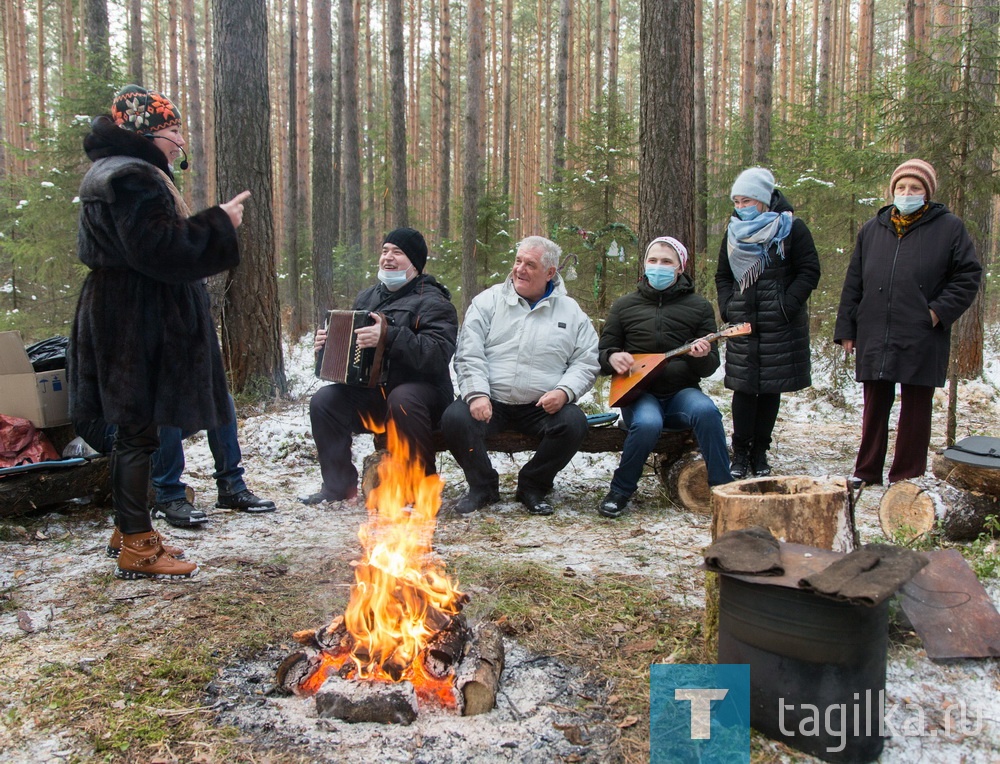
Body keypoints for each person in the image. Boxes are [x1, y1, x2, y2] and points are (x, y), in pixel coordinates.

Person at [69, 84, 251, 579]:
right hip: (136, 319)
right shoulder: (133, 177)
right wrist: (220, 224)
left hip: (122, 311)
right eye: (173, 133)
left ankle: (130, 527)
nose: (178, 143)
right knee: (138, 431)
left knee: (136, 429)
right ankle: (138, 546)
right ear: (148, 134)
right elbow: (158, 249)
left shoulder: (114, 171)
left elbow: (141, 245)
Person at [834, 158, 981, 486]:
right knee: (874, 406)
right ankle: (866, 472)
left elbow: (968, 275)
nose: (906, 192)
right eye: (901, 187)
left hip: (921, 331)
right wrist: (847, 328)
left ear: (926, 193)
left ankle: (906, 476)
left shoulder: (949, 228)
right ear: (892, 190)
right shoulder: (873, 229)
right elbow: (854, 281)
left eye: (914, 188)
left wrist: (936, 312)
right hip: (874, 328)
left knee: (915, 409)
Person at [442, 235, 599, 516]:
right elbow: (468, 352)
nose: (519, 269)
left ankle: (533, 485)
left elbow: (586, 360)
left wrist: (564, 392)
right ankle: (483, 487)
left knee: (574, 422)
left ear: (550, 273)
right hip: (491, 402)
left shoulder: (571, 311)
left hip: (541, 407)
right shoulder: (487, 302)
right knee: (455, 418)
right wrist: (477, 394)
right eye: (518, 261)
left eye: (530, 264)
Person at [304, 228, 458, 504]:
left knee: (404, 398)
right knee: (324, 401)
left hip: (425, 398)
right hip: (375, 394)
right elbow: (355, 355)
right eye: (385, 250)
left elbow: (436, 355)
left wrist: (389, 336)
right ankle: (338, 487)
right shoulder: (367, 298)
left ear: (415, 263)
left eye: (397, 252)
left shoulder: (435, 302)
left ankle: (420, 488)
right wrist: (326, 349)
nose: (388, 257)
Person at [597, 237, 731, 518]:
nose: (659, 266)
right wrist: (612, 357)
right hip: (638, 394)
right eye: (653, 260)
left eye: (667, 262)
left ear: (680, 267)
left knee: (707, 411)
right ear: (645, 264)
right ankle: (620, 491)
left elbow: (710, 367)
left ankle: (723, 489)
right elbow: (603, 353)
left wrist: (701, 354)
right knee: (647, 423)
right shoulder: (624, 306)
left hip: (681, 393)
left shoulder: (699, 307)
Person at [715, 167, 820, 479]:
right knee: (743, 388)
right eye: (737, 201)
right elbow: (723, 275)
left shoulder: (791, 229)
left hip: (779, 325)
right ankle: (740, 454)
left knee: (770, 389)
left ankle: (760, 453)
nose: (741, 206)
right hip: (743, 324)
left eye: (747, 200)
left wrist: (785, 305)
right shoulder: (733, 232)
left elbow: (809, 271)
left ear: (762, 200)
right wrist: (727, 307)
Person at [74, 396, 276, 534]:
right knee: (162, 403)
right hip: (106, 421)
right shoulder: (99, 335)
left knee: (220, 397)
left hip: (147, 410)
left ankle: (230, 486)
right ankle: (168, 496)